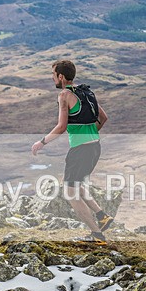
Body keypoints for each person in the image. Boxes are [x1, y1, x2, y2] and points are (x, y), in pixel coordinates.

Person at [32, 59, 114, 245]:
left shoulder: (64, 95)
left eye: (53, 75)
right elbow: (104, 117)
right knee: (76, 184)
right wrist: (89, 135)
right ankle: (102, 216)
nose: (52, 78)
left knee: (69, 192)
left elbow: (61, 127)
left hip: (80, 150)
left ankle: (97, 235)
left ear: (61, 76)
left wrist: (42, 142)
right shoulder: (88, 92)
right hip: (95, 146)